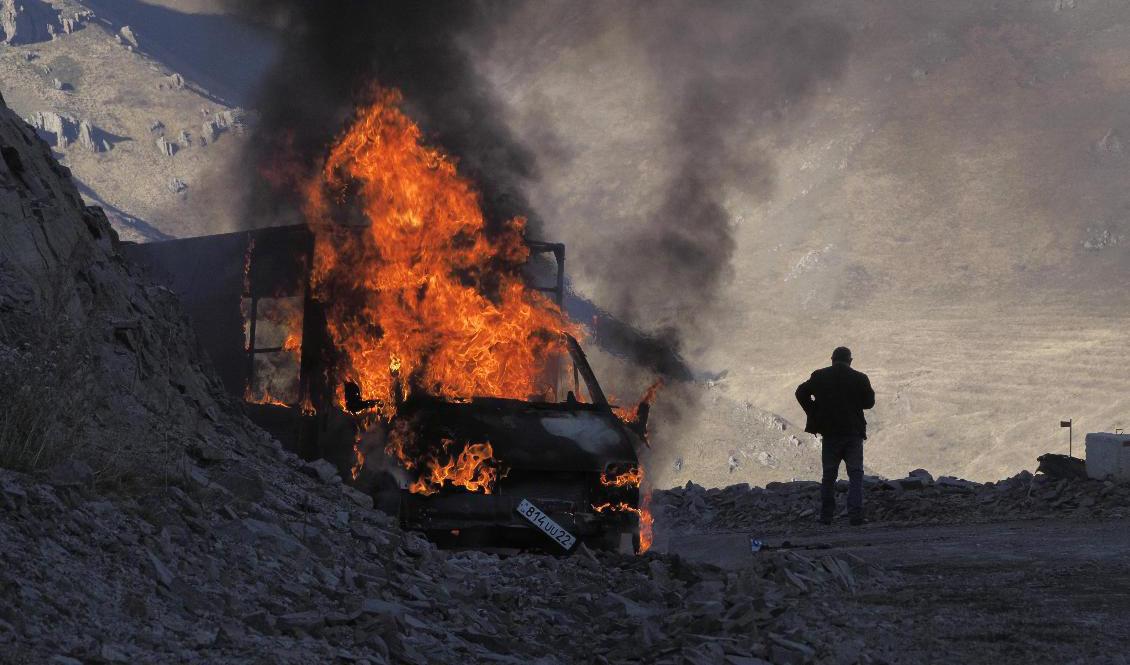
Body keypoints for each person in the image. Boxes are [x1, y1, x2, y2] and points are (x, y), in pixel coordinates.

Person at [795, 347, 875, 525]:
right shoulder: (860, 378)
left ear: (832, 359)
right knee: (856, 474)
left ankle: (826, 516)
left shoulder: (819, 376)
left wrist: (813, 411)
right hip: (852, 432)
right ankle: (855, 515)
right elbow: (869, 402)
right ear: (850, 360)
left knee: (829, 476)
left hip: (830, 433)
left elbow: (800, 393)